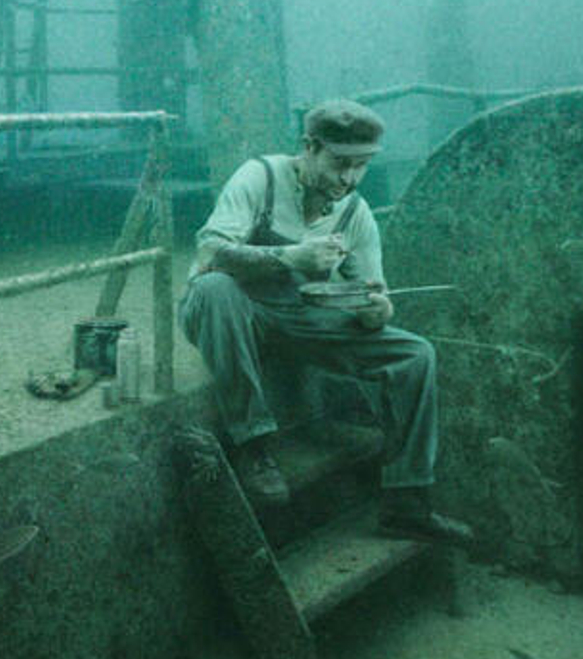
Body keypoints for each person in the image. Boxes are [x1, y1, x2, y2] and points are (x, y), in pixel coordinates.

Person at [178, 98, 473, 544]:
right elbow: (209, 254)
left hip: (299, 317)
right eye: (340, 163)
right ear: (309, 147)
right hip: (232, 312)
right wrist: (290, 256)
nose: (349, 178)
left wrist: (377, 310)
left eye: (362, 165)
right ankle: (253, 446)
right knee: (214, 288)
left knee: (415, 355)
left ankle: (407, 502)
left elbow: (373, 292)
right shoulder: (260, 177)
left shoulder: (355, 213)